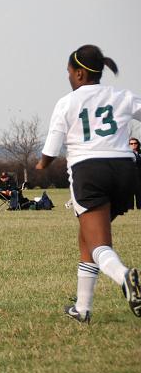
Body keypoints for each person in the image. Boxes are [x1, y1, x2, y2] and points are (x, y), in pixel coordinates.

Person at [36, 44, 141, 323]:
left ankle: (125, 277)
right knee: (87, 235)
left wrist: (41, 165)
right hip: (124, 170)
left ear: (80, 73)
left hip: (89, 170)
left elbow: (51, 148)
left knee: (98, 243)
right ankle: (82, 309)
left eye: (69, 72)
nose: (68, 77)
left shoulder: (68, 101)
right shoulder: (122, 96)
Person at [130, 137, 141, 209]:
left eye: (135, 143)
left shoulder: (140, 153)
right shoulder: (126, 154)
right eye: (131, 143)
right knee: (129, 193)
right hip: (129, 176)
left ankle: (139, 206)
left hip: (139, 176)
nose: (133, 145)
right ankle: (130, 207)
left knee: (139, 192)